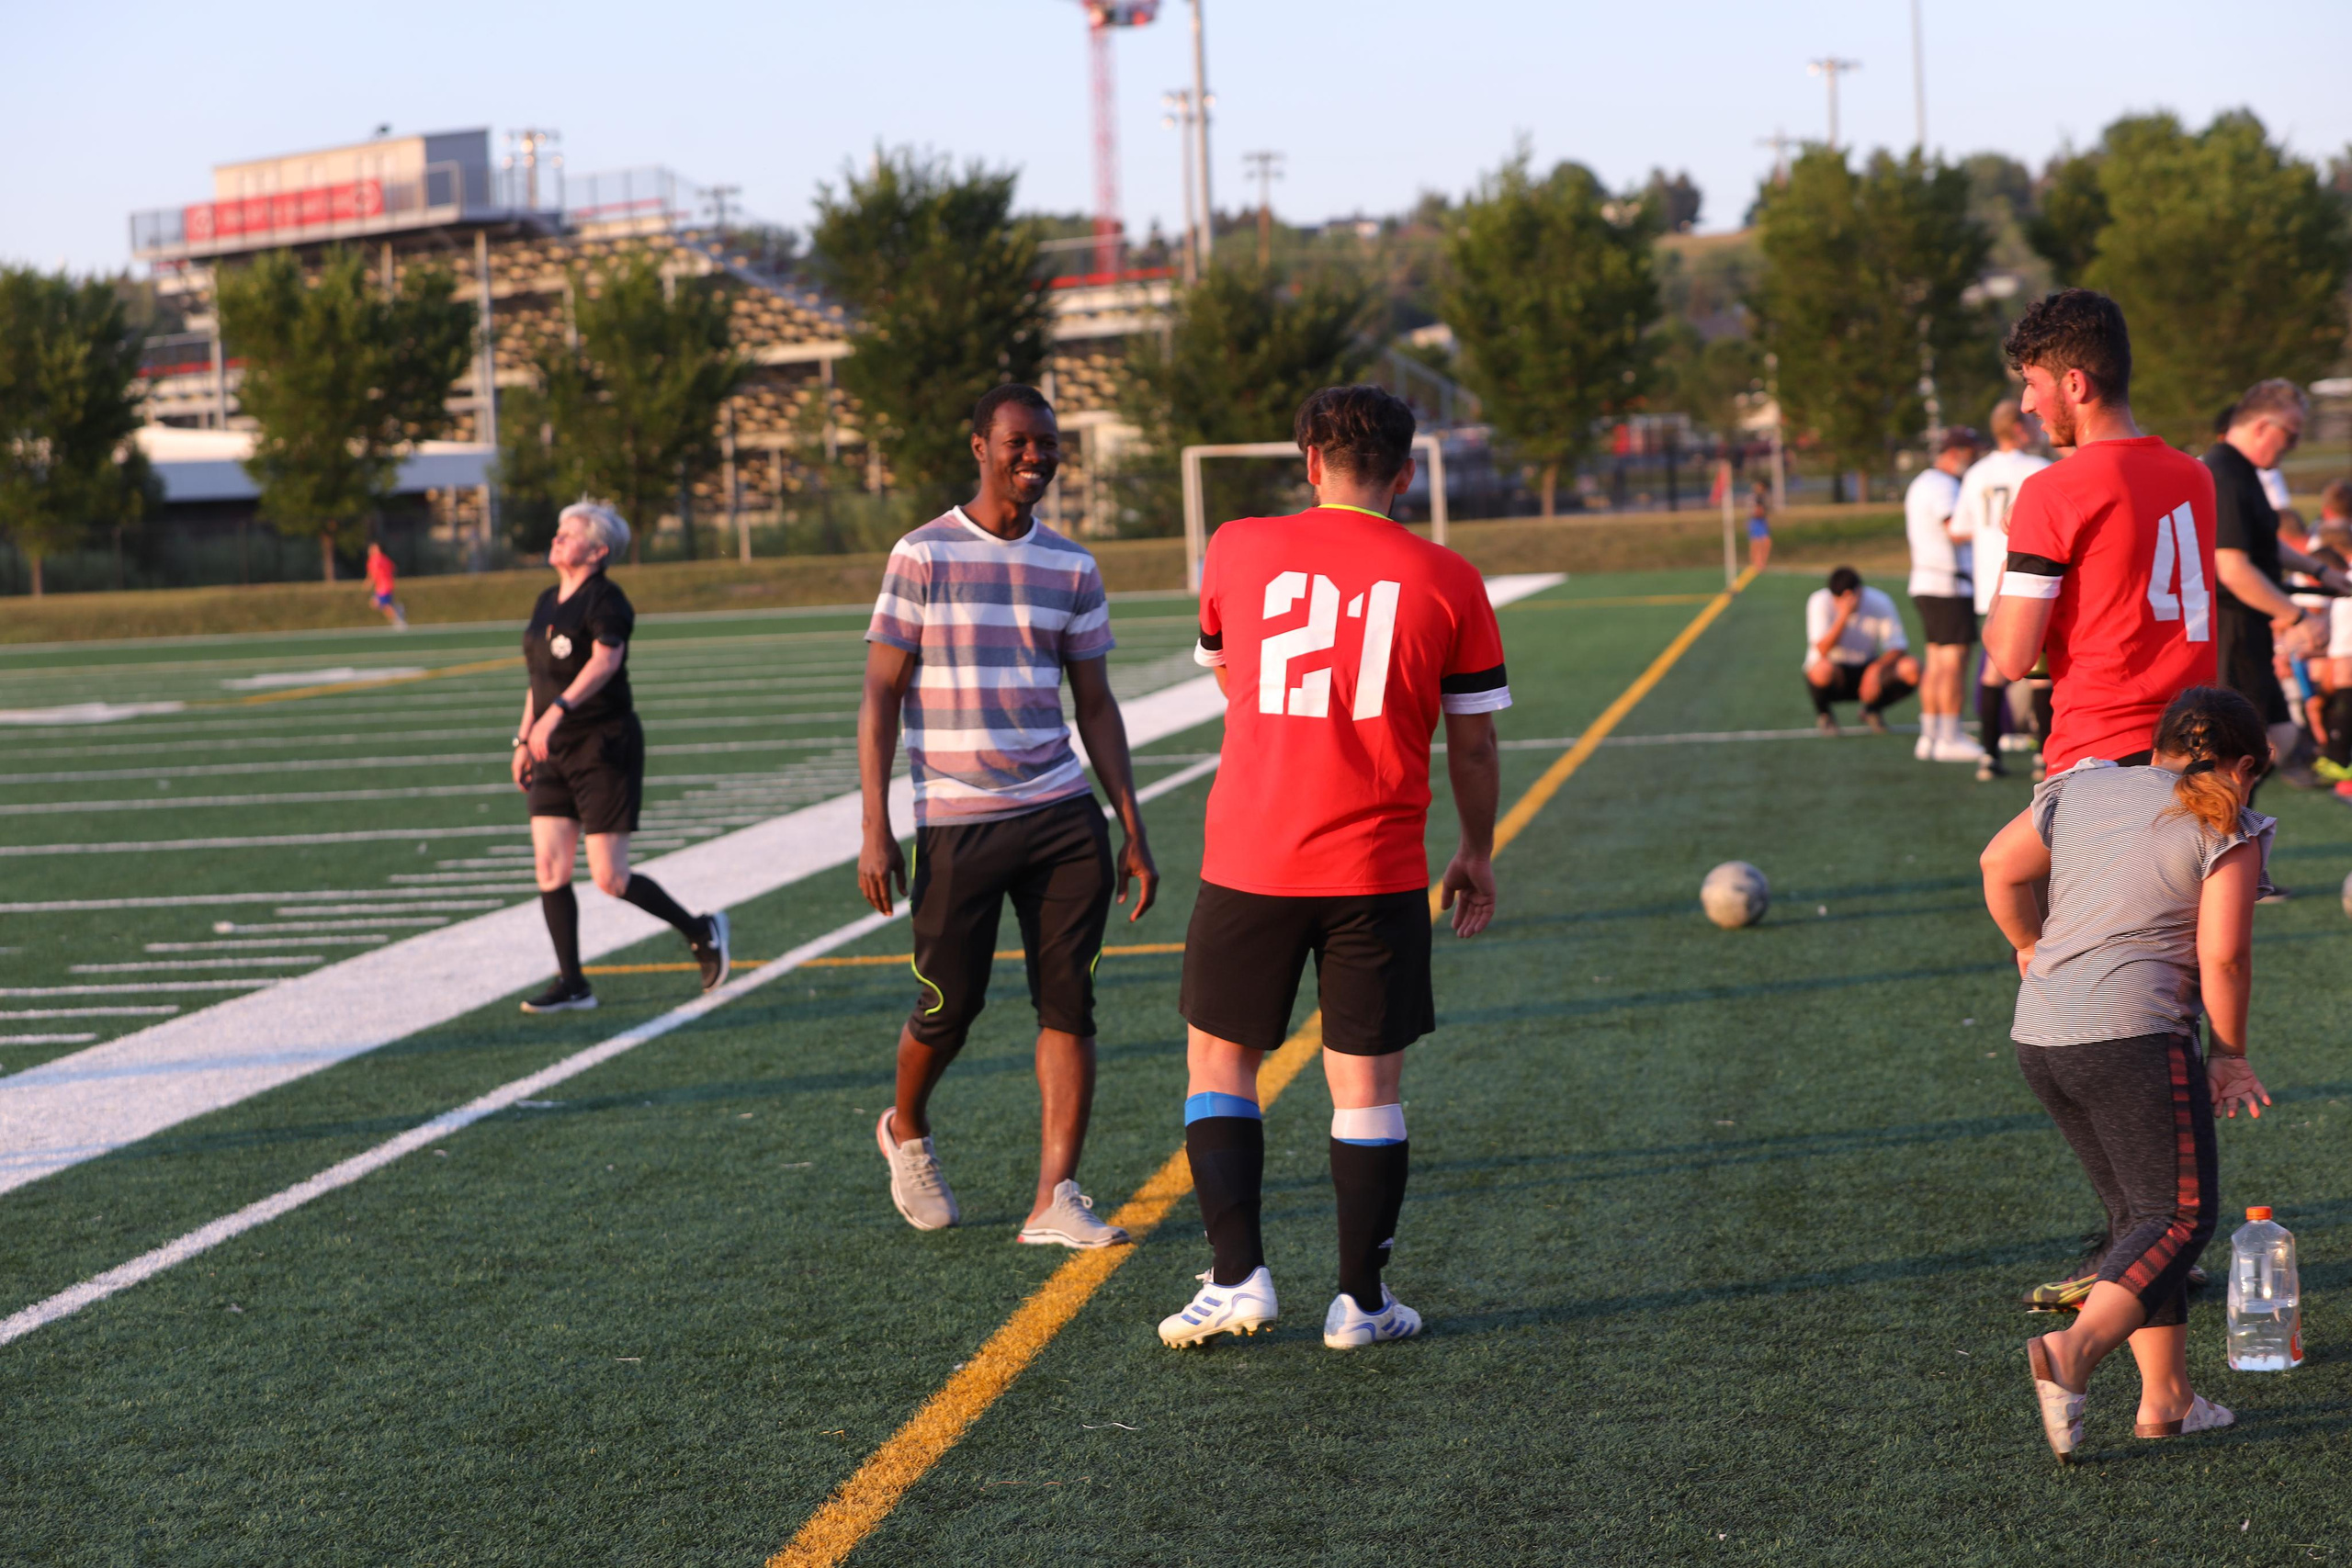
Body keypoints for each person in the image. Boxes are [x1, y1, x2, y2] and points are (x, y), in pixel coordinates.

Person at [1159, 384, 1506, 1351]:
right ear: (1404, 473)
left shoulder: (1234, 545)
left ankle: (1236, 1280)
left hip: (1251, 853)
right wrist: (1475, 851)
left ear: (1308, 461)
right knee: (1367, 1088)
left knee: (1220, 1067)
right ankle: (1359, 1302)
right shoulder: (1448, 577)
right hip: (1378, 864)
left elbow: (1231, 672)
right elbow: (1472, 749)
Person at [857, 383, 1158, 1248]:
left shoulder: (1073, 566)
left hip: (1064, 815)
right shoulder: (922, 554)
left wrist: (1131, 824)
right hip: (956, 818)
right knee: (951, 1004)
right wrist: (876, 825)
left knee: (1071, 1003)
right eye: (1020, 441)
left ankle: (1053, 1197)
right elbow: (881, 691)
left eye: (1049, 444)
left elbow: (1095, 705)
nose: (1037, 456)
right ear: (981, 446)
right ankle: (905, 1128)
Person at [1980, 685, 2275, 1461]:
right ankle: (2073, 1351)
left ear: (2159, 747)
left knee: (2136, 1218)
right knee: (2179, 1219)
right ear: (2246, 766)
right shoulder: (2229, 825)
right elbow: (2225, 955)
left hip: (2041, 1034)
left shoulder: (2079, 784)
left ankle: (2167, 1398)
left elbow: (1999, 866)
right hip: (2132, 1035)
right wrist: (2231, 1053)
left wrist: (2027, 945)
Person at [1984, 288, 2219, 773]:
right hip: (2199, 743)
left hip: (2102, 750)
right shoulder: (2195, 475)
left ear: (2074, 384)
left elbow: (2011, 657)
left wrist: (2013, 553)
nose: (2027, 404)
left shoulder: (2054, 489)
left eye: (2032, 382)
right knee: (2001, 857)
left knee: (2000, 856)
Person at [513, 502, 730, 1013]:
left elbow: (605, 662)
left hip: (601, 746)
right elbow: (538, 681)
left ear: (598, 550)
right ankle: (573, 983)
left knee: (610, 878)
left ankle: (700, 930)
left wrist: (559, 712)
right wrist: (525, 738)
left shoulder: (607, 600)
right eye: (559, 531)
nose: (558, 539)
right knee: (549, 866)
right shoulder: (547, 600)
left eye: (569, 534)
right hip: (550, 747)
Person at [2204, 379, 2323, 800]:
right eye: (2290, 435)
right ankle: (2210, 851)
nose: (2292, 446)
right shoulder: (2224, 473)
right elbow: (2232, 567)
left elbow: (2261, 541)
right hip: (2231, 629)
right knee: (2237, 760)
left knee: (2279, 736)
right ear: (2260, 426)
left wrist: (2320, 570)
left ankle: (2225, 836)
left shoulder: (2243, 471)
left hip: (2247, 630)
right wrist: (2297, 617)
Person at [1952, 400, 2051, 780]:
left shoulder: (1976, 473)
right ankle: (2045, 757)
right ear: (2019, 428)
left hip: (1991, 585)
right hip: (2032, 580)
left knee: (1993, 671)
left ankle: (1989, 755)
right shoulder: (2038, 469)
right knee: (2043, 673)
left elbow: (1959, 528)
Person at [1905, 426, 1988, 762]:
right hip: (1948, 583)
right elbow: (1954, 530)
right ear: (1956, 454)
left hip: (1928, 581)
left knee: (1938, 660)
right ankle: (1949, 735)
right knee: (1954, 661)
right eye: (1970, 454)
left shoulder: (1922, 482)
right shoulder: (1943, 486)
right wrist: (1990, 525)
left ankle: (1932, 733)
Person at [1804, 566, 1917, 736]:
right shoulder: (1819, 601)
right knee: (1822, 670)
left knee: (1912, 668)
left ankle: (1872, 710)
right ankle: (1825, 715)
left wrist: (1875, 669)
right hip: (1836, 671)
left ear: (1858, 592)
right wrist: (1843, 617)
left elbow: (1898, 646)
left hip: (1867, 665)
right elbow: (1821, 649)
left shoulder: (1879, 601)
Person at [366, 541, 406, 629]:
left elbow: (374, 573)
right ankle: (397, 609)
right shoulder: (385, 558)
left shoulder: (374, 560)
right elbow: (394, 568)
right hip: (387, 584)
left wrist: (369, 583)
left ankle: (399, 621)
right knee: (376, 603)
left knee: (383, 605)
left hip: (382, 586)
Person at [1747, 478, 1773, 573]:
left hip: (1762, 520)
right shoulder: (1754, 497)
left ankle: (1762, 562)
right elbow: (1754, 511)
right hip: (1755, 520)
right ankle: (1755, 562)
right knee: (1756, 542)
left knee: (1766, 541)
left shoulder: (1763, 497)